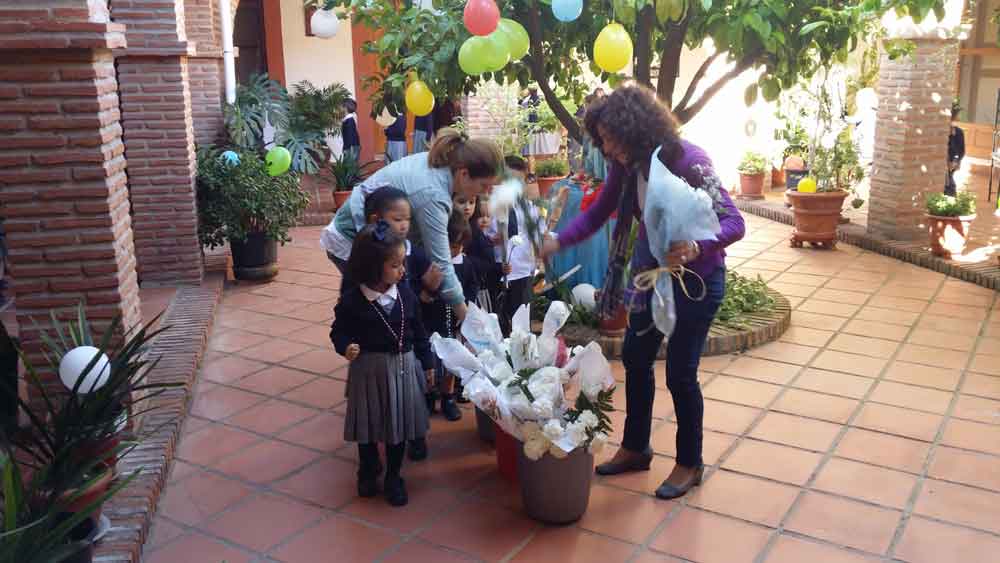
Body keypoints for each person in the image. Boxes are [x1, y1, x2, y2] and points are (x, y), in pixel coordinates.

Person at [541, 84, 745, 500]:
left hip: (696, 282)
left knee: (680, 373)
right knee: (635, 357)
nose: (605, 147)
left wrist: (696, 247)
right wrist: (559, 241)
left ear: (634, 128)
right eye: (600, 140)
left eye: (609, 138)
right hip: (650, 280)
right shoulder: (630, 164)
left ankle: (691, 462)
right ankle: (636, 447)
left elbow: (734, 221)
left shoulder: (689, 161)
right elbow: (599, 212)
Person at [321, 128, 503, 323]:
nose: (486, 193)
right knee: (378, 312)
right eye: (484, 186)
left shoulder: (444, 165)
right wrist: (469, 320)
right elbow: (441, 263)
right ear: (464, 174)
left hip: (377, 236)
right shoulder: (432, 194)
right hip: (351, 238)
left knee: (392, 305)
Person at [330, 222, 435, 507]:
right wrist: (345, 346)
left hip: (403, 368)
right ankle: (367, 468)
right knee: (370, 424)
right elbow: (338, 330)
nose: (402, 270)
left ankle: (393, 475)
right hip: (368, 371)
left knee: (397, 427)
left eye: (402, 263)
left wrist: (427, 363)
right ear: (372, 267)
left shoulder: (405, 294)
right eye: (395, 265)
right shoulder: (353, 301)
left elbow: (419, 330)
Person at [422, 210, 478, 420]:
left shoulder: (465, 264)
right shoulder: (431, 263)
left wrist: (466, 303)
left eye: (458, 246)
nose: (454, 250)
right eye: (450, 245)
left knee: (451, 361)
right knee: (432, 359)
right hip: (433, 318)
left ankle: (447, 396)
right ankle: (429, 395)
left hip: (455, 322)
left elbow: (473, 286)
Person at [495, 156, 545, 335]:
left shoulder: (529, 207)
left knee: (521, 327)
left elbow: (540, 233)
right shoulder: (491, 205)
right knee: (498, 325)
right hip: (497, 273)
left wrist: (540, 259)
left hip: (523, 272)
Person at [946, 105, 965, 197]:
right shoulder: (943, 132)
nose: (958, 119)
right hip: (945, 163)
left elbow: (961, 150)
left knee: (950, 183)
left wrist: (956, 161)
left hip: (953, 163)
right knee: (950, 186)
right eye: (956, 117)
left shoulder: (959, 132)